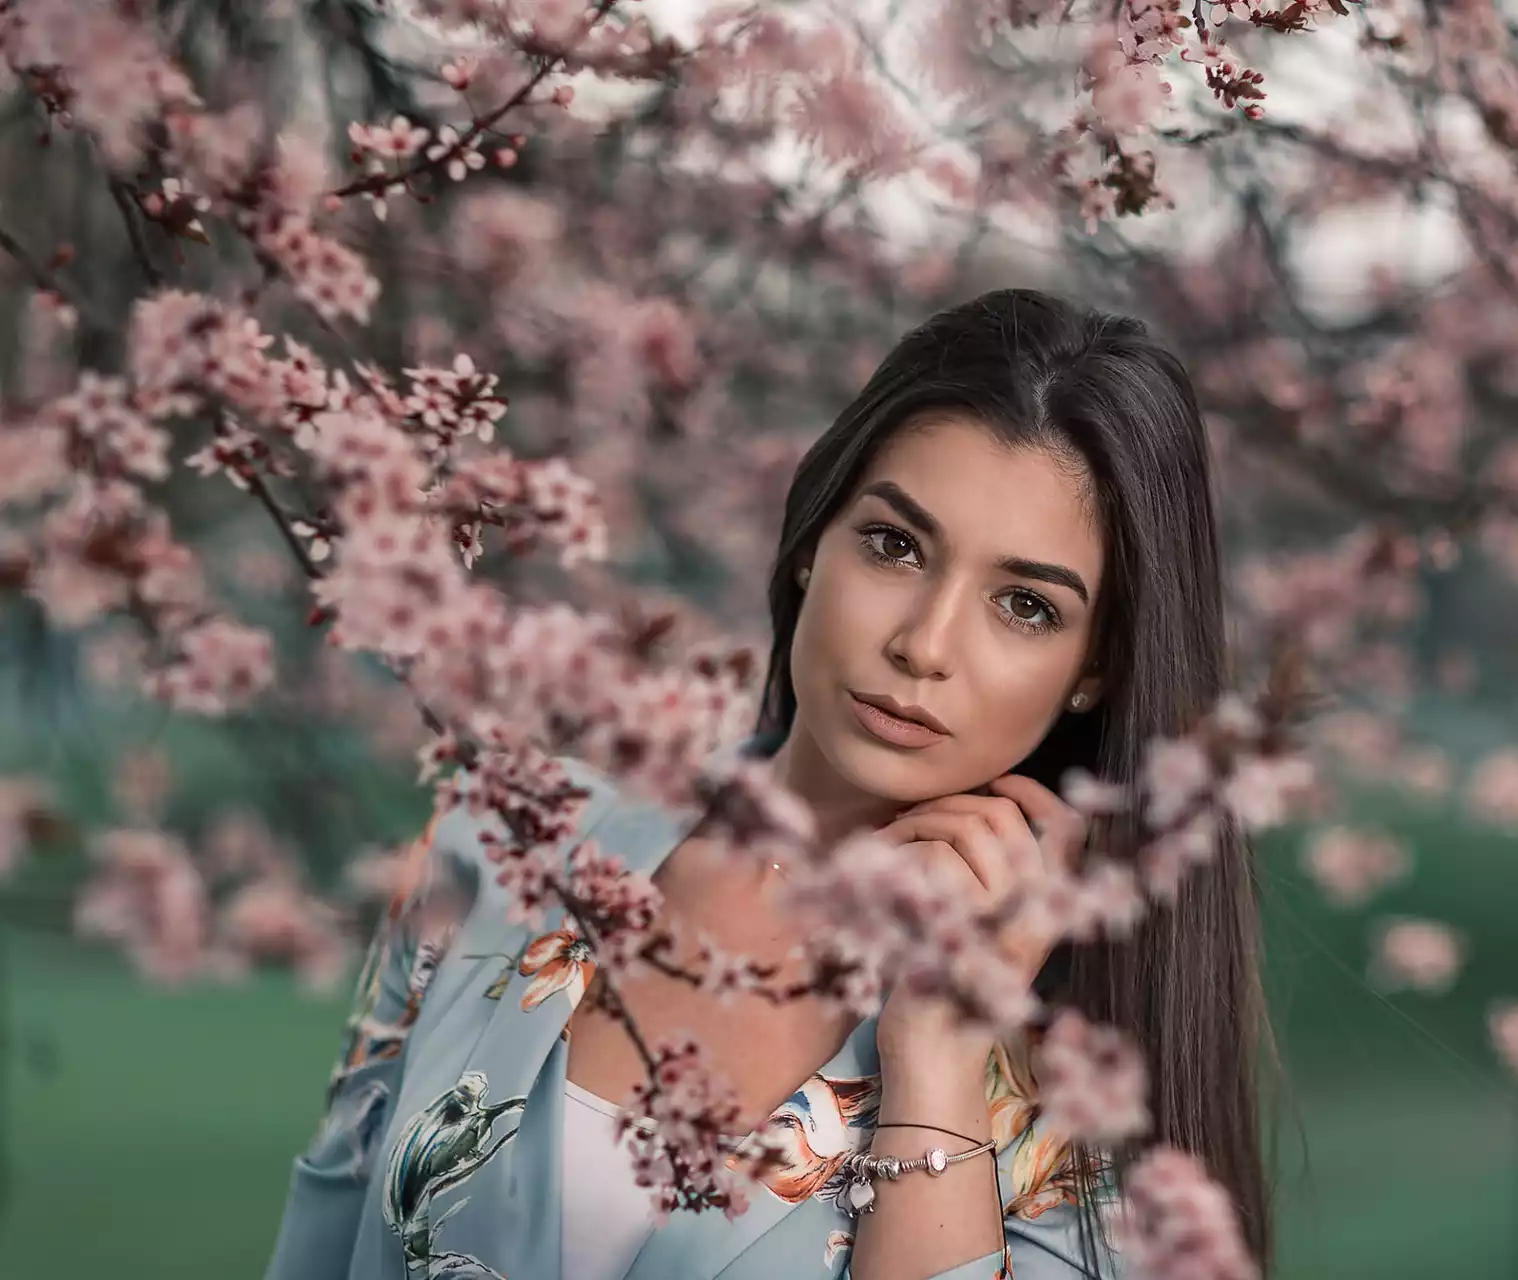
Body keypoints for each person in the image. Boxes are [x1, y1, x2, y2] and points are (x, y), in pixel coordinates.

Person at [263, 288, 1281, 1280]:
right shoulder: (505, 839)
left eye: (1024, 604)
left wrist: (933, 1053)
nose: (922, 644)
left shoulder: (1081, 1089)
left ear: (1095, 666)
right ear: (811, 543)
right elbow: (324, 1224)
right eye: (894, 544)